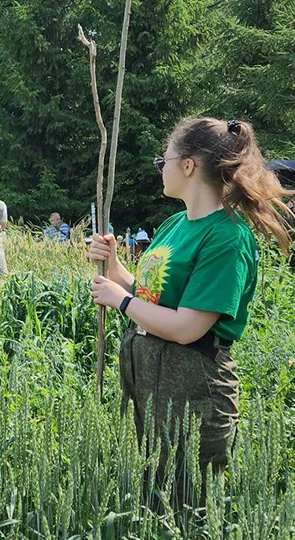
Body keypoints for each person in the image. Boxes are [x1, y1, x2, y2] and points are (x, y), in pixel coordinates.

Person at [89, 118, 293, 511]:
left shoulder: (228, 237)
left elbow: (187, 327)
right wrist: (116, 270)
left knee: (191, 507)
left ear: (188, 165)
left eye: (161, 160)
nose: (159, 167)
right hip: (150, 382)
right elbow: (156, 297)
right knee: (153, 501)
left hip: (194, 390)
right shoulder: (174, 224)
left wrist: (121, 301)